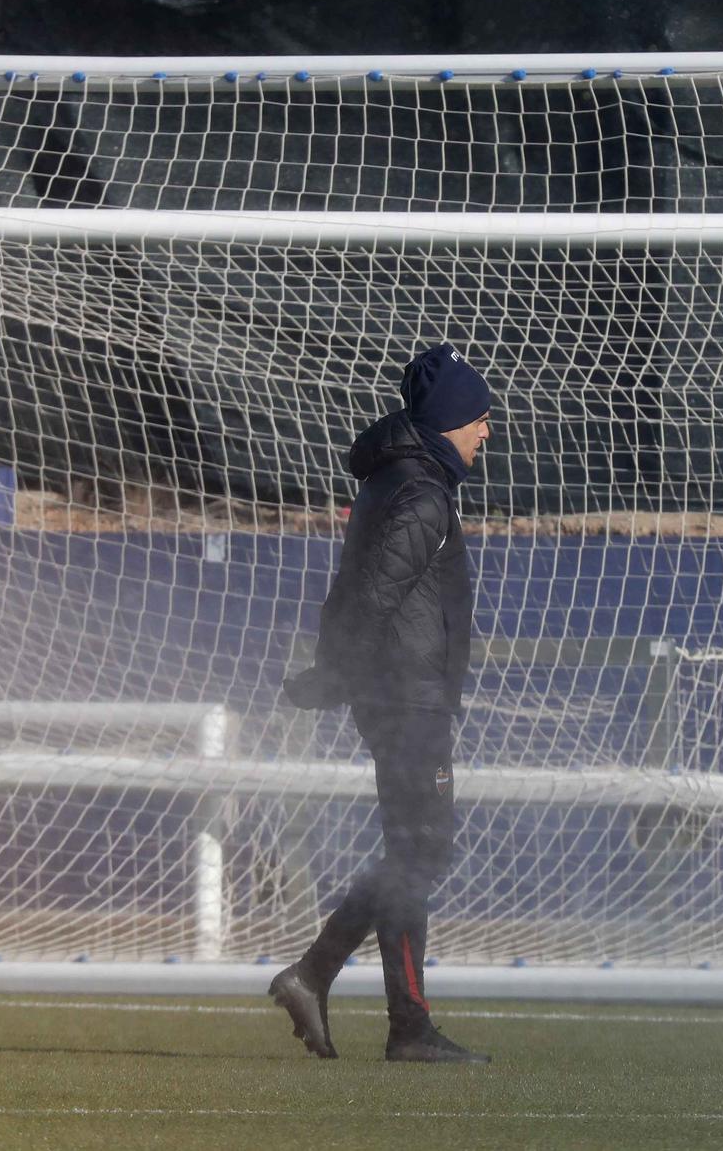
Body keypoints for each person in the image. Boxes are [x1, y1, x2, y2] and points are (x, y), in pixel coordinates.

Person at [271, 342, 494, 1064]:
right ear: (450, 419)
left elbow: (360, 590)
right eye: (479, 419)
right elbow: (372, 596)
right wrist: (337, 677)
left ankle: (402, 1021)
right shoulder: (421, 492)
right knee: (423, 850)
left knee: (412, 852)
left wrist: (338, 674)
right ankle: (321, 976)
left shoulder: (397, 479)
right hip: (407, 698)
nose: (486, 431)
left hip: (399, 693)